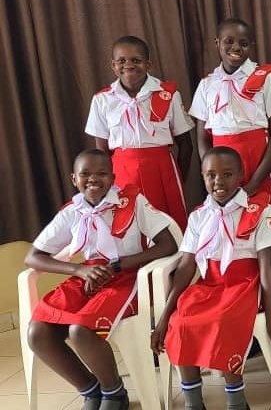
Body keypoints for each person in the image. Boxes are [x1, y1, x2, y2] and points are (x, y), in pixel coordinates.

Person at [26, 149, 178, 410]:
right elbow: (34, 257)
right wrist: (78, 271)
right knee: (38, 332)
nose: (93, 180)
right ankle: (90, 389)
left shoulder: (132, 202)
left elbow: (168, 244)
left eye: (102, 174)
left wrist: (120, 265)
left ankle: (114, 392)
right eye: (85, 174)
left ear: (113, 177)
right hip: (86, 275)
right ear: (74, 179)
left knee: (81, 330)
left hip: (126, 277)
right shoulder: (72, 211)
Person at [150, 147, 271, 410]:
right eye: (210, 175)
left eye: (227, 174)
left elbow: (266, 266)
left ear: (240, 176)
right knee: (180, 322)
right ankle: (194, 402)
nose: (218, 182)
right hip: (209, 285)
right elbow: (186, 267)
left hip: (244, 285)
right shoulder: (198, 216)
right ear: (202, 177)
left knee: (222, 321)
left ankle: (236, 401)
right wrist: (164, 316)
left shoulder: (258, 212)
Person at [86, 35, 194, 229]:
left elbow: (186, 145)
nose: (128, 65)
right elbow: (102, 151)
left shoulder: (168, 94)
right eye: (121, 61)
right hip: (122, 173)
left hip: (162, 170)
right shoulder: (102, 100)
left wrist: (177, 177)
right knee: (130, 227)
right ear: (113, 65)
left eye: (136, 60)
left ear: (148, 64)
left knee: (171, 225)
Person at [189, 18, 271, 208]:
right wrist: (211, 171)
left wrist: (255, 181)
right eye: (229, 41)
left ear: (251, 46)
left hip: (262, 161)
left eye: (243, 43)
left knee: (270, 217)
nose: (236, 47)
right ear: (217, 43)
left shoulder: (266, 78)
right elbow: (202, 138)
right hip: (222, 166)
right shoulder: (206, 85)